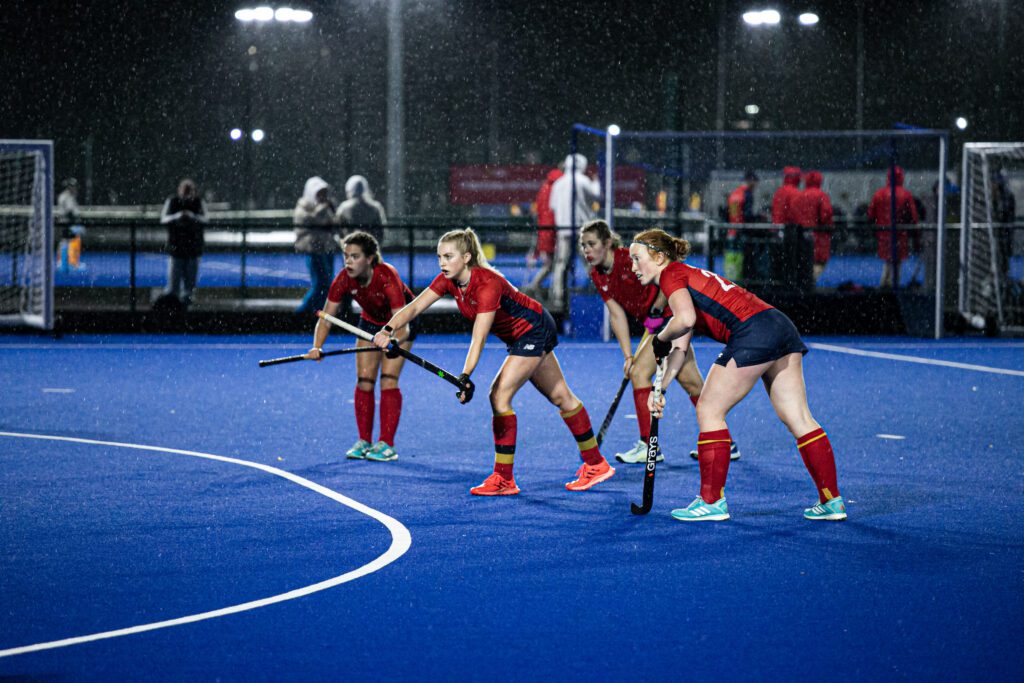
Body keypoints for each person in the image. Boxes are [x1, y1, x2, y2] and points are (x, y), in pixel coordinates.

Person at [371, 227, 616, 495]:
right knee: (561, 396)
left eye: (448, 256)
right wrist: (387, 329)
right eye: (439, 256)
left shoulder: (487, 284)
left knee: (499, 396)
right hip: (526, 333)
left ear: (466, 257)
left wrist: (464, 376)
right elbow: (415, 307)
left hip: (533, 330)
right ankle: (596, 464)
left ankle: (504, 479)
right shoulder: (448, 280)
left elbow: (479, 338)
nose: (442, 263)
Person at [628, 228, 846, 522]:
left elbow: (684, 321)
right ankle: (831, 501)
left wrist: (660, 336)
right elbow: (680, 348)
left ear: (658, 256)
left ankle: (711, 501)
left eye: (636, 258)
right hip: (778, 325)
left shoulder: (671, 275)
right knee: (798, 417)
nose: (632, 267)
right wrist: (661, 389)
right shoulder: (682, 280)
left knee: (709, 409)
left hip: (752, 332)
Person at [578, 219, 741, 464]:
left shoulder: (630, 257)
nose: (587, 250)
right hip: (655, 320)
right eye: (583, 246)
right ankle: (726, 443)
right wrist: (627, 355)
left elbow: (668, 274)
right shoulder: (598, 275)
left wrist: (656, 310)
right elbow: (616, 314)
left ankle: (648, 445)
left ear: (608, 243)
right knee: (692, 382)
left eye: (591, 244)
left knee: (639, 374)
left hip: (670, 316)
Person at [307, 231, 414, 462]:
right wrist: (317, 346)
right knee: (364, 380)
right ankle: (364, 441)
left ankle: (386, 444)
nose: (348, 262)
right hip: (369, 324)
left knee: (388, 379)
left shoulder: (387, 276)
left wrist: (392, 341)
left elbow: (402, 322)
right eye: (346, 256)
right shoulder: (344, 278)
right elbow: (326, 317)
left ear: (369, 259)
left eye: (354, 256)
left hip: (400, 325)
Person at [548, 153, 601, 309]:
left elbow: (553, 206)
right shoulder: (583, 181)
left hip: (563, 229)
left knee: (560, 264)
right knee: (590, 262)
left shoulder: (558, 183)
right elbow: (597, 196)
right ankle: (596, 290)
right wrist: (597, 182)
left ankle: (557, 296)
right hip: (582, 230)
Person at [294, 176, 339, 314]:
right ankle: (301, 313)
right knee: (320, 283)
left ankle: (318, 312)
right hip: (314, 249)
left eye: (324, 193)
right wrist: (323, 210)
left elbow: (334, 223)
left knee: (327, 284)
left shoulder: (326, 208)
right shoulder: (303, 206)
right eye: (319, 193)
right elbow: (309, 221)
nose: (323, 197)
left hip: (327, 248)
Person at [868, 166, 918, 288]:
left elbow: (871, 214)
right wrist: (916, 234)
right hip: (900, 234)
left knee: (888, 261)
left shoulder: (879, 194)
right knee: (896, 262)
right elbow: (913, 217)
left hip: (884, 234)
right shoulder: (905, 195)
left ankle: (885, 287)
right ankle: (890, 288)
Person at [159, 178, 208, 306]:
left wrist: (192, 217)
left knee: (189, 286)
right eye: (185, 190)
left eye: (189, 190)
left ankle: (184, 309)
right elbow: (163, 219)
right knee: (174, 284)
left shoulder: (198, 202)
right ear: (179, 190)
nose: (187, 194)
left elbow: (206, 219)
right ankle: (174, 309)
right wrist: (177, 216)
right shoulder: (172, 201)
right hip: (177, 247)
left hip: (192, 248)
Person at [522, 164, 563, 297]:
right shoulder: (560, 187)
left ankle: (536, 287)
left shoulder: (545, 187)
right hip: (555, 230)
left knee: (551, 264)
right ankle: (553, 293)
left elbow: (540, 209)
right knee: (557, 265)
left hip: (543, 229)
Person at [792, 170, 835, 284]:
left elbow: (793, 214)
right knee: (819, 262)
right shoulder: (821, 195)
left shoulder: (799, 195)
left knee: (806, 262)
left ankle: (806, 284)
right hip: (819, 236)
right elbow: (826, 215)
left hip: (802, 236)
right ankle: (811, 282)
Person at [336, 175, 387, 242]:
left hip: (351, 246)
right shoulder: (375, 207)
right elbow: (381, 232)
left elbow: (338, 230)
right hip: (370, 246)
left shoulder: (344, 207)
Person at [56, 178, 84, 271]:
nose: (75, 189)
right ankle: (69, 263)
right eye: (73, 187)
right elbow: (70, 212)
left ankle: (65, 262)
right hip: (66, 222)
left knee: (66, 241)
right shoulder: (66, 197)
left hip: (66, 222)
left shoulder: (69, 196)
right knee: (68, 241)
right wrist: (76, 222)